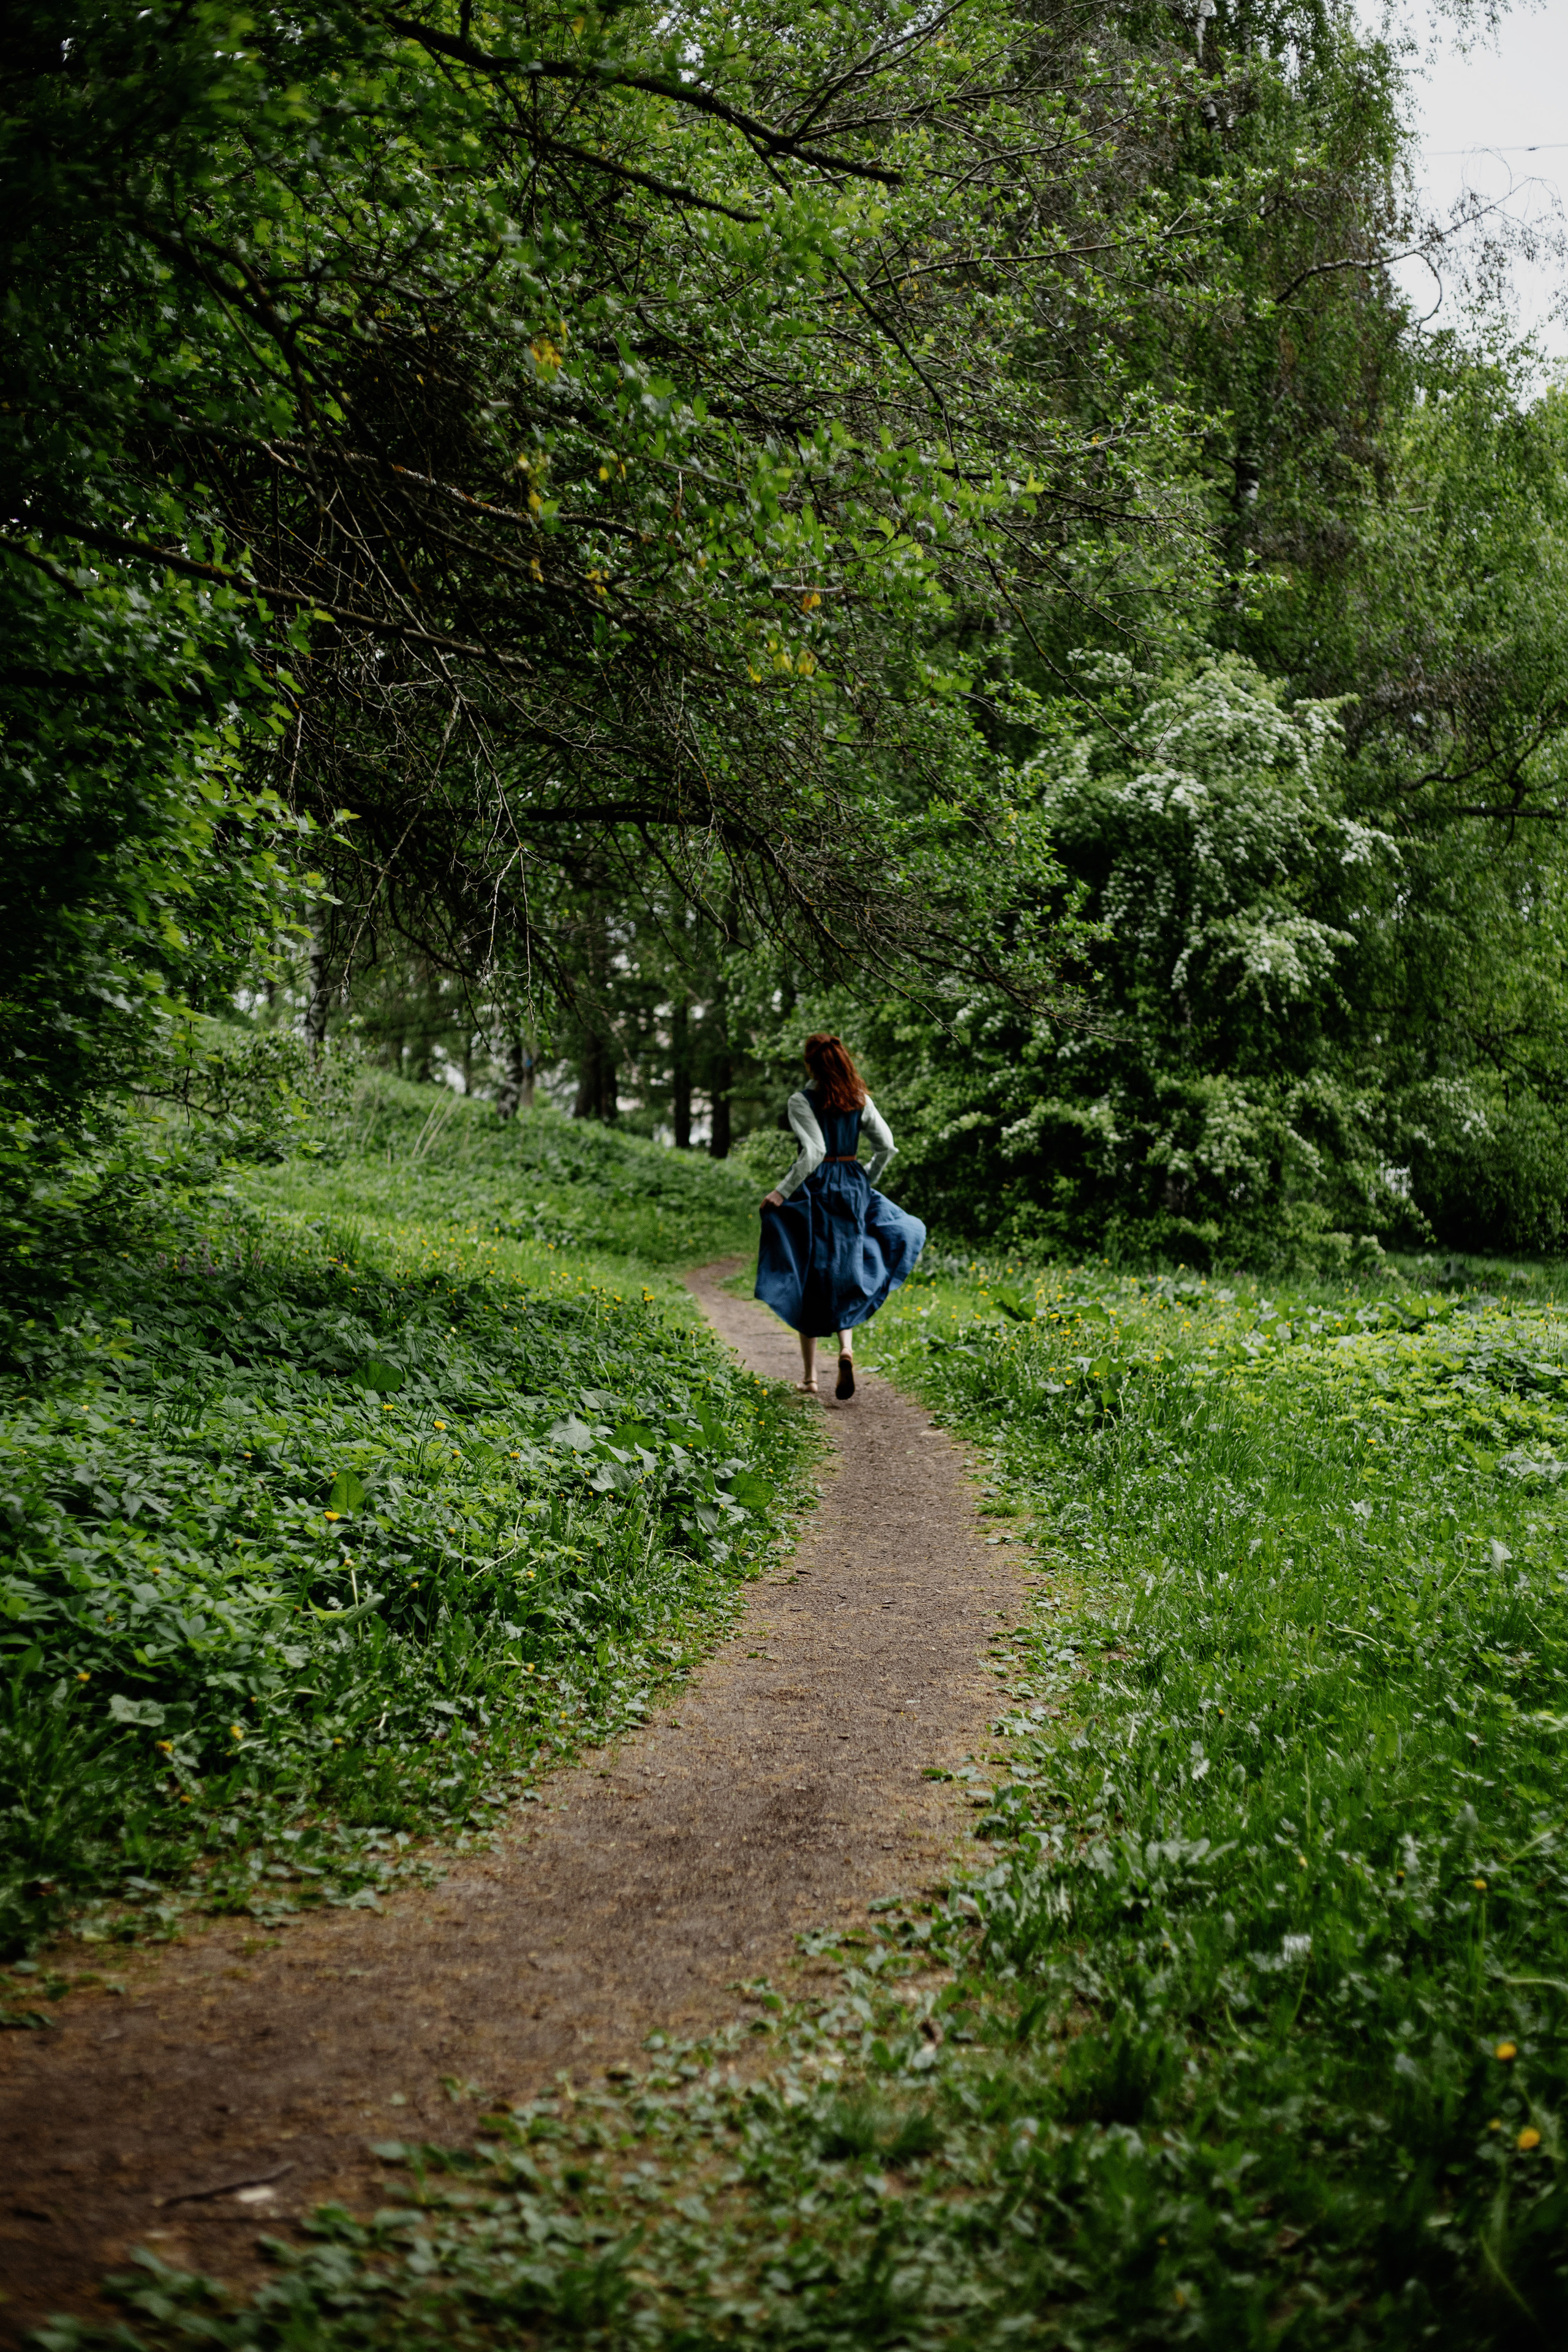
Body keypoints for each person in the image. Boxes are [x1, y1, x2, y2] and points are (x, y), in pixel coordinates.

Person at [754, 1033, 927, 1399]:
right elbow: (887, 1147)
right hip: (852, 1186)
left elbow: (814, 1152)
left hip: (816, 1190)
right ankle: (846, 1349)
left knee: (810, 1271)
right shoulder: (859, 1100)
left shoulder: (802, 1101)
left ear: (810, 1064)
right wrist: (865, 1179)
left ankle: (810, 1376)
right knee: (846, 1268)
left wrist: (780, 1192)